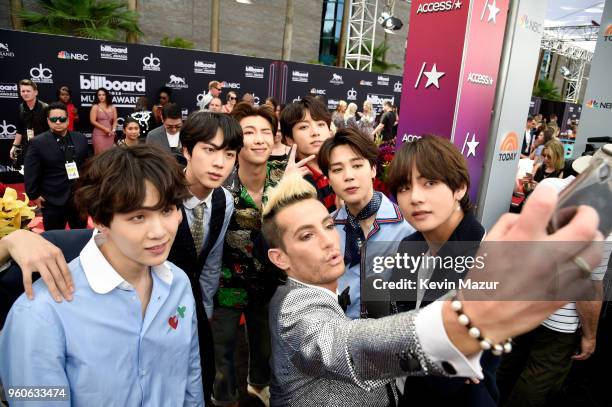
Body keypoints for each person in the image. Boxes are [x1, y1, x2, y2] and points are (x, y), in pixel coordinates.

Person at [261, 172, 602, 406]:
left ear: (459, 189)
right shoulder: (296, 308)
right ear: (280, 258)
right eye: (306, 236)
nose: (327, 240)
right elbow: (353, 347)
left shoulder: (470, 242)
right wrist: (466, 321)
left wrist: (457, 352)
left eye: (326, 226)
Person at [0, 111, 243, 405]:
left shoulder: (178, 284)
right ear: (100, 220)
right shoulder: (40, 311)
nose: (159, 232)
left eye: (167, 211)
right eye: (138, 216)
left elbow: (190, 379)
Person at [386, 136, 498, 406]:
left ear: (459, 188)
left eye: (430, 183)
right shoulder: (409, 245)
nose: (415, 197)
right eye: (404, 187)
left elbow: (447, 375)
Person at [496, 147, 611, 407]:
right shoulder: (604, 223)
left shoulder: (550, 186)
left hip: (521, 297)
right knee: (538, 377)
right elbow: (589, 288)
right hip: (559, 316)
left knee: (507, 362)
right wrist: (590, 335)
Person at [211, 103, 283, 407]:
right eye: (249, 132)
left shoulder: (285, 178)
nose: (259, 139)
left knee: (264, 343)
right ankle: (224, 396)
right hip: (228, 283)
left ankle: (259, 384)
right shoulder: (219, 182)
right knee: (223, 344)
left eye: (266, 132)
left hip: (270, 282)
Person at [317, 128, 414, 319]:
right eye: (337, 170)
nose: (348, 176)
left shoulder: (407, 227)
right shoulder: (326, 229)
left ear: (373, 169)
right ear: (329, 179)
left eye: (357, 165)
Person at [24, 102, 89, 231]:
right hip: (52, 200)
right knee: (54, 239)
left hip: (78, 199)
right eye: (54, 119)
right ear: (48, 121)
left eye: (62, 119)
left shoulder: (80, 139)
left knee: (81, 236)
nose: (58, 122)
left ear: (68, 120)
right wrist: (34, 195)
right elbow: (30, 171)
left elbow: (88, 165)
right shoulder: (38, 142)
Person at [280, 96, 337, 213]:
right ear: (290, 139)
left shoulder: (343, 167)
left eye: (321, 124)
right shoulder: (288, 178)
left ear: (330, 132)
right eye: (304, 127)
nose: (315, 132)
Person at [9, 79, 49, 166]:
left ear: (35, 92)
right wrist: (15, 146)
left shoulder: (45, 108)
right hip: (27, 146)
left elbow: (51, 130)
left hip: (44, 146)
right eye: (23, 91)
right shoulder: (21, 107)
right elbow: (20, 129)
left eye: (28, 91)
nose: (25, 93)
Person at [89, 87, 117, 155]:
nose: (101, 97)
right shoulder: (95, 107)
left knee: (109, 155)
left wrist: (113, 130)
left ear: (106, 95)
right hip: (99, 134)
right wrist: (105, 129)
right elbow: (92, 121)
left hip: (110, 134)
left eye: (103, 95)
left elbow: (115, 120)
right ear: (97, 96)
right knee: (100, 155)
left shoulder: (113, 107)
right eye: (99, 95)